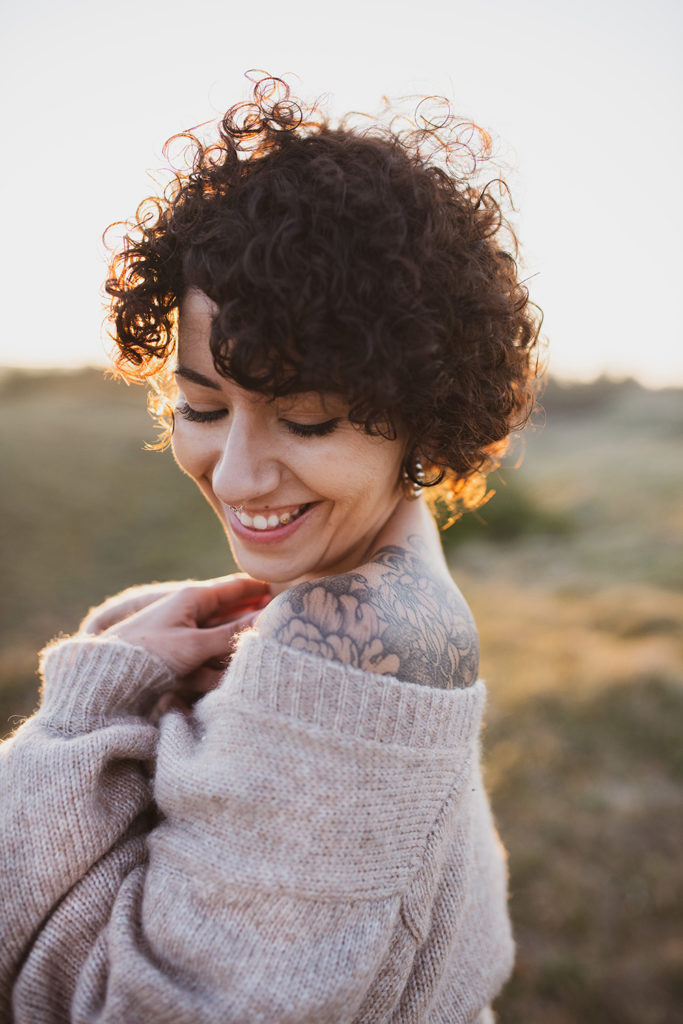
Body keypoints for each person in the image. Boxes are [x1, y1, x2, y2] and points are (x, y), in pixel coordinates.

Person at [0, 74, 540, 1022]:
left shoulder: (352, 643)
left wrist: (92, 707)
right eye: (201, 407)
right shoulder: (342, 609)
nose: (239, 476)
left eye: (308, 419)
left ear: (423, 410)